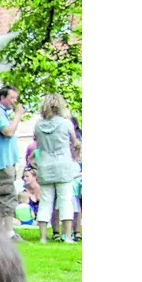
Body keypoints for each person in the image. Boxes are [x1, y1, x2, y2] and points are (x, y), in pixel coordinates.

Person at [33, 93, 82, 244]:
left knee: (46, 201)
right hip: (62, 165)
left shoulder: (38, 125)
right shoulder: (66, 123)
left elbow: (37, 143)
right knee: (65, 200)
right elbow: (75, 143)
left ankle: (42, 237)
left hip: (45, 165)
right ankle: (67, 236)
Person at [0, 85, 26, 235]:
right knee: (8, 195)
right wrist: (18, 115)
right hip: (0, 160)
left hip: (4, 160)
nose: (14, 101)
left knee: (2, 197)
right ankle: (9, 232)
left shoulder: (1, 112)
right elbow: (8, 131)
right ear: (2, 97)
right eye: (12, 98)